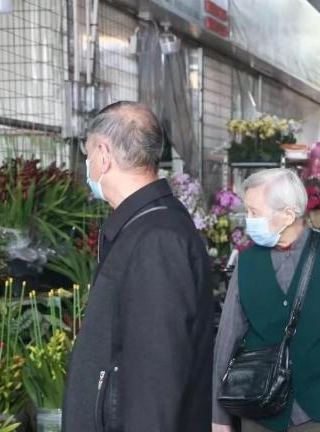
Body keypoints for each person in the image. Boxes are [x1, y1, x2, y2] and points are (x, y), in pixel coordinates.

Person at [63, 102, 214, 431]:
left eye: (87, 154)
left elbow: (156, 376)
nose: (88, 165)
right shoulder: (145, 225)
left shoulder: (157, 239)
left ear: (103, 154)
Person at [212, 169, 320, 432]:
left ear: (288, 215)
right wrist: (219, 417)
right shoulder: (246, 263)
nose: (248, 220)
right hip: (259, 413)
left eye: (254, 212)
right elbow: (227, 340)